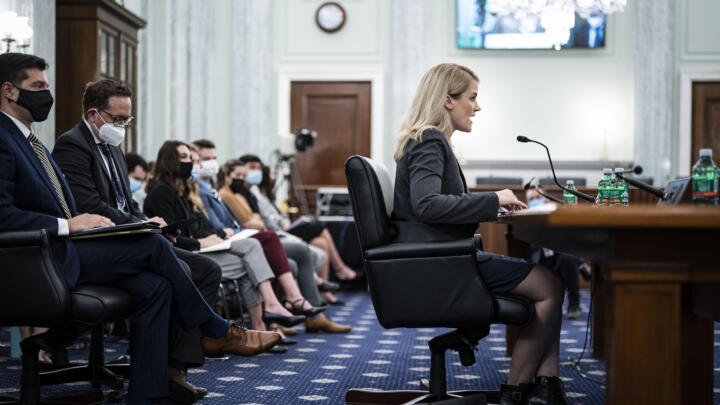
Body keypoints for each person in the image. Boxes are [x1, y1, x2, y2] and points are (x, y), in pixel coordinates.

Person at [0, 52, 280, 404]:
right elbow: (3, 214)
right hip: (35, 260)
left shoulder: (31, 141)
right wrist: (67, 224)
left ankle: (148, 395)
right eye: (37, 86)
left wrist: (95, 226)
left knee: (156, 285)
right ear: (9, 90)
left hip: (66, 247)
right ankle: (216, 329)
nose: (46, 94)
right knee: (152, 245)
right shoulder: (5, 138)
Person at [392, 63, 567, 405]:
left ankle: (547, 383)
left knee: (547, 283)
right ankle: (517, 390)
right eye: (472, 97)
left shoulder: (428, 139)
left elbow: (433, 204)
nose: (478, 106)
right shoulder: (429, 139)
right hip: (440, 262)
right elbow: (427, 204)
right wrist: (492, 199)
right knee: (550, 285)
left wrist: (491, 205)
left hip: (437, 256)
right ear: (447, 100)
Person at [50, 78, 225, 401]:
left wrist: (146, 223)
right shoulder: (72, 144)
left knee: (206, 270)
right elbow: (89, 205)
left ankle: (170, 374)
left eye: (127, 120)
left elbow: (126, 204)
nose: (122, 126)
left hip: (124, 237)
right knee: (177, 273)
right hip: (94, 244)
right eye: (117, 120)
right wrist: (142, 225)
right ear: (93, 114)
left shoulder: (114, 149)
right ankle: (210, 330)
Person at [143, 140, 308, 341]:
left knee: (251, 257)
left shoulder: (182, 191)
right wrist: (201, 242)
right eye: (185, 158)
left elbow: (198, 227)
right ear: (170, 162)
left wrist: (216, 235)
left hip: (199, 249)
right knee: (251, 251)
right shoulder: (163, 192)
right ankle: (265, 316)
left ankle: (259, 327)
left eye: (193, 159)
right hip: (184, 255)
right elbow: (168, 236)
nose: (192, 165)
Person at [525, 188, 582, 319]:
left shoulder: (557, 214)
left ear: (546, 199)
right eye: (532, 199)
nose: (536, 201)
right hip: (539, 259)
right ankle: (582, 265)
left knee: (568, 257)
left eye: (538, 198)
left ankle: (574, 304)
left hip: (560, 258)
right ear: (527, 203)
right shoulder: (524, 217)